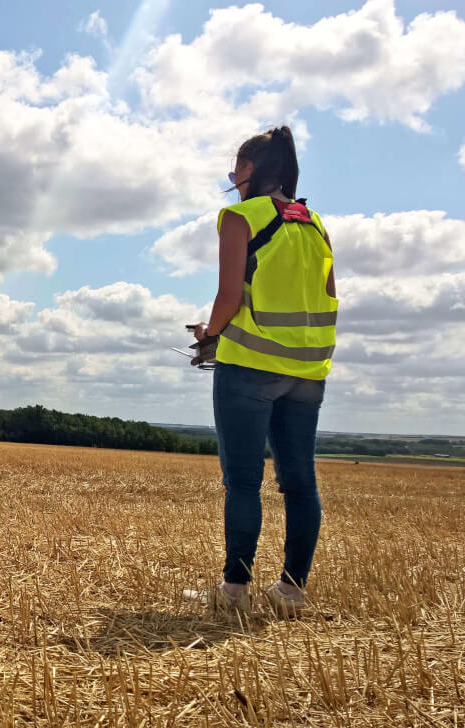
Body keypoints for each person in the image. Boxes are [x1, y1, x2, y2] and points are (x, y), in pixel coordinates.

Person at [191, 126, 338, 616]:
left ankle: (234, 592)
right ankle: (291, 591)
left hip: (250, 366)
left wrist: (209, 333)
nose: (232, 178)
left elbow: (229, 296)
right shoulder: (314, 223)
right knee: (300, 483)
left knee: (244, 482)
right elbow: (327, 294)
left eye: (236, 169)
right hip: (308, 370)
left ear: (249, 170)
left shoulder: (239, 216)